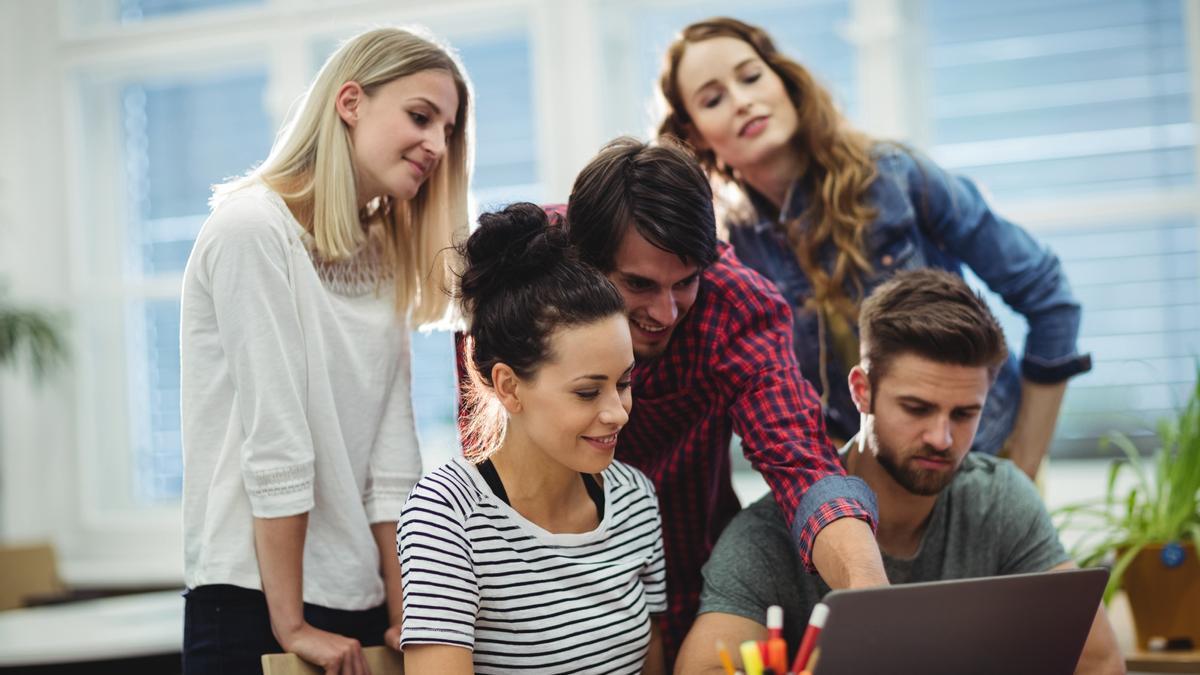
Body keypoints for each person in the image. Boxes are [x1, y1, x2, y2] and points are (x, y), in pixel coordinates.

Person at [657, 17, 1092, 478]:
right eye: (713, 99)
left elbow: (1051, 298)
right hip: (866, 500)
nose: (742, 101)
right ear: (697, 133)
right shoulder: (727, 254)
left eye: (751, 76)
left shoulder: (896, 178)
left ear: (784, 80)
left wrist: (1021, 466)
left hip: (982, 464)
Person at [180, 27, 471, 675]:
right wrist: (291, 625)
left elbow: (392, 456)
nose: (435, 145)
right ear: (350, 102)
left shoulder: (380, 251)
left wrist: (405, 606)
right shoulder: (252, 229)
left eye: (446, 130)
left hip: (355, 595)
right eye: (420, 117)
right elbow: (276, 439)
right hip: (254, 597)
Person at [675, 268, 1124, 675]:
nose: (942, 438)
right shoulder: (766, 536)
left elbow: (1101, 662)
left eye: (966, 414)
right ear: (861, 390)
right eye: (917, 408)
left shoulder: (1000, 499)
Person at [563, 137, 887, 663]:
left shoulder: (736, 304)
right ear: (581, 261)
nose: (665, 313)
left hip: (683, 567)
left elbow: (801, 461)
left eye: (685, 283)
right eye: (638, 284)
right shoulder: (520, 275)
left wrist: (866, 588)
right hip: (534, 583)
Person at [398, 203, 667, 674]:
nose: (617, 412)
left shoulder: (635, 500)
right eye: (587, 392)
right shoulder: (447, 515)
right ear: (509, 386)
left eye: (623, 383)